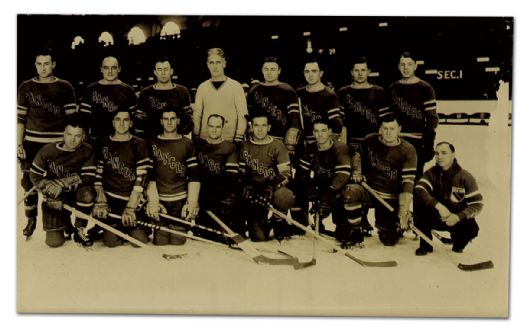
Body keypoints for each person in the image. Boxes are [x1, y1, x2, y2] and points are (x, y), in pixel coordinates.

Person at [17, 48, 77, 237]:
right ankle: (31, 220)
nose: (43, 68)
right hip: (32, 143)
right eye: (39, 64)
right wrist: (18, 143)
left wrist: (70, 144)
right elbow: (20, 119)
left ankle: (67, 221)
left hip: (57, 144)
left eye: (47, 63)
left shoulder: (65, 86)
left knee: (60, 182)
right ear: (35, 65)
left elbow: (72, 120)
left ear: (53, 65)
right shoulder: (26, 86)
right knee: (29, 182)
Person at [344, 114, 417, 246]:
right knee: (351, 191)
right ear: (380, 129)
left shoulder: (408, 150)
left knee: (389, 240)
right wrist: (357, 171)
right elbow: (357, 155)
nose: (388, 132)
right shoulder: (369, 141)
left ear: (399, 129)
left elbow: (408, 182)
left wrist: (403, 209)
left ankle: (397, 225)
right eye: (385, 128)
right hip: (369, 191)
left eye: (392, 129)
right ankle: (355, 233)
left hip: (389, 198)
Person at [337, 56, 390, 237]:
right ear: (352, 72)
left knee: (371, 181)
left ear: (369, 72)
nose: (360, 73)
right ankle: (355, 220)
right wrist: (343, 147)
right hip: (352, 144)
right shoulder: (343, 92)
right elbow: (341, 123)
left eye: (363, 70)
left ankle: (377, 220)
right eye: (356, 70)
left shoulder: (379, 92)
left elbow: (385, 121)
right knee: (353, 181)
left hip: (373, 145)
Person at [29, 115, 96, 247]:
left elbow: (88, 176)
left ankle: (79, 229)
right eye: (69, 134)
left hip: (76, 193)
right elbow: (34, 174)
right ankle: (65, 223)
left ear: (83, 137)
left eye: (77, 136)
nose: (72, 139)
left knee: (87, 193)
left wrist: (62, 182)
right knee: (54, 242)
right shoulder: (47, 150)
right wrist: (48, 190)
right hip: (55, 196)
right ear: (63, 134)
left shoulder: (88, 150)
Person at [92, 110, 150, 247]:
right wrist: (101, 199)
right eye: (118, 119)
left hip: (131, 198)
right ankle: (110, 227)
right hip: (111, 199)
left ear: (131, 123)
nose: (121, 123)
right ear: (113, 123)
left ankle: (127, 227)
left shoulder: (139, 143)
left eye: (125, 120)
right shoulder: (103, 143)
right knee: (111, 242)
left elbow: (142, 178)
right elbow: (98, 175)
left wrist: (131, 207)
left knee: (140, 241)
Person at [413, 142, 483, 255]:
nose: (439, 156)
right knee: (419, 202)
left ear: (453, 155)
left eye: (444, 153)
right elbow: (419, 188)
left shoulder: (465, 177)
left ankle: (458, 244)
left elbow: (477, 204)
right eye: (437, 153)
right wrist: (438, 205)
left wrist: (458, 217)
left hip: (455, 219)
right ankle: (426, 244)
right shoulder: (431, 173)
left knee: (471, 229)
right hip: (436, 216)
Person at [294, 119, 355, 246]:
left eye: (323, 131)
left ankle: (343, 226)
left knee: (342, 198)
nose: (320, 134)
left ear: (330, 132)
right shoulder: (310, 148)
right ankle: (300, 224)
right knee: (296, 187)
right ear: (313, 133)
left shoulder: (340, 148)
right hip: (320, 186)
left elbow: (342, 176)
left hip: (337, 188)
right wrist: (310, 186)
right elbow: (301, 173)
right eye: (316, 131)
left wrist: (326, 198)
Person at [144, 108, 200, 246]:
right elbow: (149, 176)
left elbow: (194, 176)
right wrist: (153, 202)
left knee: (177, 242)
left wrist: (191, 202)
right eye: (166, 119)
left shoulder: (187, 143)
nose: (169, 122)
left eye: (173, 119)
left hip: (179, 201)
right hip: (160, 200)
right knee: (160, 242)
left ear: (178, 121)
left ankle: (182, 225)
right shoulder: (152, 142)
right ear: (161, 121)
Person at [237, 114, 295, 242]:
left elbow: (285, 174)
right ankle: (262, 224)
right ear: (251, 127)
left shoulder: (277, 145)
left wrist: (269, 186)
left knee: (285, 195)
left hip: (271, 188)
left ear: (269, 127)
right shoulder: (244, 146)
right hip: (254, 189)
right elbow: (241, 172)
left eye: (263, 125)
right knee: (258, 237)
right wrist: (246, 185)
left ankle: (277, 221)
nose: (259, 129)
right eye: (256, 125)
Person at [388, 51, 438, 181]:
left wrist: (429, 143)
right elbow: (389, 116)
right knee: (395, 180)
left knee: (414, 181)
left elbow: (432, 118)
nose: (406, 68)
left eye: (409, 64)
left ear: (415, 66)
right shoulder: (393, 87)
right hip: (396, 140)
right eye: (402, 64)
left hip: (417, 142)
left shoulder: (426, 88)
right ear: (398, 66)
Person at [194, 114, 241, 239]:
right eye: (211, 126)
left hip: (220, 194)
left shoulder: (230, 147)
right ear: (206, 127)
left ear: (222, 128)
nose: (214, 130)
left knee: (222, 236)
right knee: (204, 235)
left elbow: (231, 177)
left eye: (217, 127)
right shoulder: (198, 145)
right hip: (201, 193)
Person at [78, 55, 138, 147]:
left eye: (113, 68)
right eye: (106, 68)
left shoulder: (128, 90)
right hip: (97, 140)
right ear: (101, 69)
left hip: (122, 140)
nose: (110, 71)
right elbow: (83, 120)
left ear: (119, 69)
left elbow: (133, 119)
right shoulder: (90, 89)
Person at [192, 48, 248, 143]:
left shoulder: (236, 86)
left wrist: (238, 137)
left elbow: (242, 115)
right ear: (207, 65)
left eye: (218, 62)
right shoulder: (202, 87)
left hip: (229, 140)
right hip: (206, 141)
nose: (215, 66)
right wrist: (196, 136)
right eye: (212, 63)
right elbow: (197, 116)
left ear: (224, 64)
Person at [247, 57, 301, 155]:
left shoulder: (288, 91)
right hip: (258, 139)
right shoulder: (253, 91)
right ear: (262, 70)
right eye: (266, 69)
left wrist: (290, 140)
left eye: (273, 69)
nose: (269, 72)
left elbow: (295, 118)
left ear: (279, 71)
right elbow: (248, 116)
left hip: (280, 139)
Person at [135, 57, 193, 138]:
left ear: (171, 71)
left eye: (166, 69)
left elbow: (188, 120)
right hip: (152, 139)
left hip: (175, 139)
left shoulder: (182, 91)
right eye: (159, 69)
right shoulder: (146, 92)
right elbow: (140, 121)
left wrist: (180, 137)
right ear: (155, 72)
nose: (163, 73)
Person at [296, 58, 343, 145]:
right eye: (307, 71)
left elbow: (336, 126)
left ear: (321, 73)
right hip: (303, 142)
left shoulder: (329, 95)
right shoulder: (299, 93)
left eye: (314, 71)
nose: (310, 75)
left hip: (322, 142)